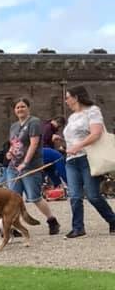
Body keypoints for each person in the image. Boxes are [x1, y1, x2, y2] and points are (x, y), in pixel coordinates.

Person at [62, 85, 115, 238]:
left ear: (76, 97)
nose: (66, 101)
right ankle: (78, 227)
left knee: (93, 195)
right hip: (71, 160)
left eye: (68, 97)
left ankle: (112, 220)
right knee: (75, 196)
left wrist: (78, 146)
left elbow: (96, 133)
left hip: (88, 158)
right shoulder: (72, 117)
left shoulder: (93, 111)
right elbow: (72, 137)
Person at [3, 98, 60, 235]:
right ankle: (16, 226)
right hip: (13, 166)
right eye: (17, 107)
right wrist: (9, 153)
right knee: (14, 199)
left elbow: (34, 144)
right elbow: (15, 143)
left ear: (28, 108)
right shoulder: (14, 126)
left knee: (34, 197)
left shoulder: (34, 122)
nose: (20, 109)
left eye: (23, 106)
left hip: (30, 166)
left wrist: (25, 163)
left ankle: (52, 220)